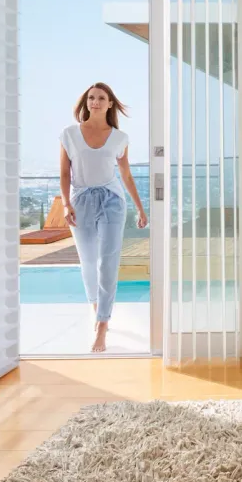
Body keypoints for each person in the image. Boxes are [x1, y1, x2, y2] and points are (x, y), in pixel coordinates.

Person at [59, 82, 147, 352]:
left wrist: (141, 209)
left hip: (112, 202)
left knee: (107, 262)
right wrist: (65, 204)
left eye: (101, 98)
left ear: (110, 104)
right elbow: (64, 173)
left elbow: (126, 175)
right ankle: (97, 308)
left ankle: (102, 325)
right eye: (91, 98)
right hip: (81, 200)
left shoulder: (120, 138)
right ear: (86, 103)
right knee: (88, 261)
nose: (95, 102)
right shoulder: (69, 134)